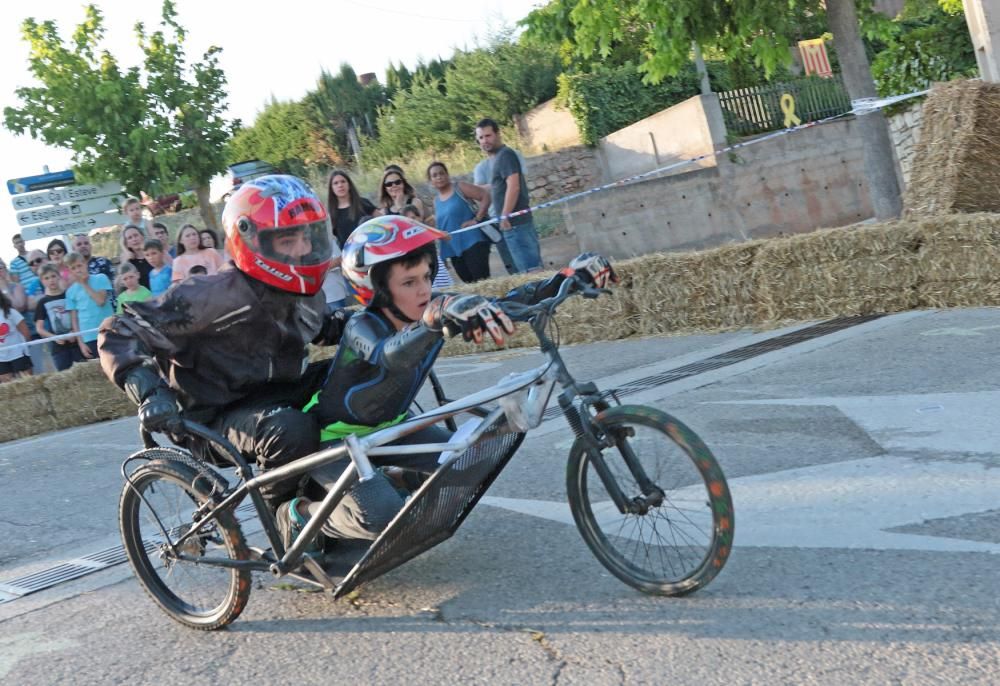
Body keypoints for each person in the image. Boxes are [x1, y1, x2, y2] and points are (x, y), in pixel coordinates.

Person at [286, 215, 617, 547]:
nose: (424, 290)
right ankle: (297, 514)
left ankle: (394, 476)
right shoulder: (363, 327)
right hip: (335, 441)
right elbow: (391, 354)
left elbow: (503, 304)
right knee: (382, 518)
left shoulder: (431, 308)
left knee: (469, 466)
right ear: (377, 291)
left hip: (393, 427)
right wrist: (432, 322)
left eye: (427, 276)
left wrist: (567, 277)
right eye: (409, 282)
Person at [98, 174, 353, 515]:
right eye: (288, 240)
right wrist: (150, 392)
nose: (303, 250)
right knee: (291, 429)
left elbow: (324, 330)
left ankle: (365, 481)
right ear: (253, 242)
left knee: (359, 374)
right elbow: (119, 329)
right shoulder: (208, 295)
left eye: (305, 238)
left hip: (280, 392)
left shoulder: (302, 292)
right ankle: (281, 517)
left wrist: (380, 321)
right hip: (215, 417)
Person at [475, 118, 542, 273]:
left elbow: (514, 185)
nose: (485, 140)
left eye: (488, 135)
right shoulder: (498, 158)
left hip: (516, 223)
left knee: (532, 273)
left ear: (498, 134)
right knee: (526, 273)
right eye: (481, 137)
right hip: (512, 225)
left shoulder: (505, 155)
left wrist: (505, 215)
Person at [427, 161, 493, 283]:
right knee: (468, 283)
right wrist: (443, 254)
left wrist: (477, 219)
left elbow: (485, 196)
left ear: (447, 175)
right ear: (431, 181)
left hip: (473, 242)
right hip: (454, 249)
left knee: (483, 282)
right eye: (435, 175)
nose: (439, 177)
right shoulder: (436, 201)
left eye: (442, 173)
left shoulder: (460, 187)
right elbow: (442, 228)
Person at [65, 251, 114, 360]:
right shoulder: (70, 292)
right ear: (70, 271)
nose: (78, 270)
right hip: (89, 336)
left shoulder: (101, 278)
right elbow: (74, 319)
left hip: (109, 330)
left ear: (85, 264)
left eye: (79, 265)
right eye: (73, 268)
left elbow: (101, 301)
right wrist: (81, 343)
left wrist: (84, 284)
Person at [34, 263, 80, 371]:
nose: (51, 280)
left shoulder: (69, 295)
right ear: (42, 281)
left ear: (59, 276)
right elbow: (39, 328)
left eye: (53, 276)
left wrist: (74, 331)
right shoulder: (42, 302)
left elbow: (77, 316)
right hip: (59, 347)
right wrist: (54, 337)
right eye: (47, 278)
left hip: (76, 342)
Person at [401, 204, 453, 291]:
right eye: (408, 220)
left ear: (420, 218)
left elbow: (447, 237)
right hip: (423, 273)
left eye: (413, 218)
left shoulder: (426, 231)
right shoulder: (406, 239)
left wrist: (438, 234)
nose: (411, 222)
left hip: (437, 271)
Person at [327, 169, 376, 248]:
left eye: (343, 181)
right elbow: (329, 240)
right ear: (331, 188)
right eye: (335, 183)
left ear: (349, 184)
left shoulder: (363, 203)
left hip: (372, 250)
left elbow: (383, 220)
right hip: (349, 256)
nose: (340, 185)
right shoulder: (331, 213)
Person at [0, 290, 33, 382]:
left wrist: (25, 348)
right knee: (8, 388)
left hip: (18, 353)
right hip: (1, 358)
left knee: (28, 383)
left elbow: (25, 331)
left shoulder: (10, 311)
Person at [120, 225, 153, 289]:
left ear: (142, 237)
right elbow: (123, 283)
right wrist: (125, 252)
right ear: (127, 244)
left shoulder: (153, 253)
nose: (134, 239)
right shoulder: (128, 261)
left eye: (136, 235)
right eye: (130, 238)